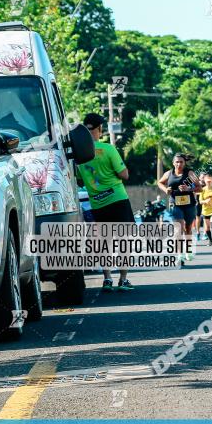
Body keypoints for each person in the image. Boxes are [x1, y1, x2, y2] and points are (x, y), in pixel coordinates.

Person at [77, 113, 134, 292]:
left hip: (98, 204)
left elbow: (79, 181)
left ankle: (107, 279)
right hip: (117, 199)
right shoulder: (108, 149)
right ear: (100, 129)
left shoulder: (79, 156)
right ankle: (123, 280)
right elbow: (124, 175)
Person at [157, 153, 199, 264]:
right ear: (173, 163)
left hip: (189, 205)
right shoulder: (169, 173)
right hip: (175, 204)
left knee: (188, 228)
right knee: (178, 229)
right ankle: (180, 254)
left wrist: (188, 188)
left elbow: (200, 188)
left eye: (181, 162)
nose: (179, 164)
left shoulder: (190, 173)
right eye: (177, 162)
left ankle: (188, 250)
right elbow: (160, 183)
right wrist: (165, 189)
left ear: (184, 163)